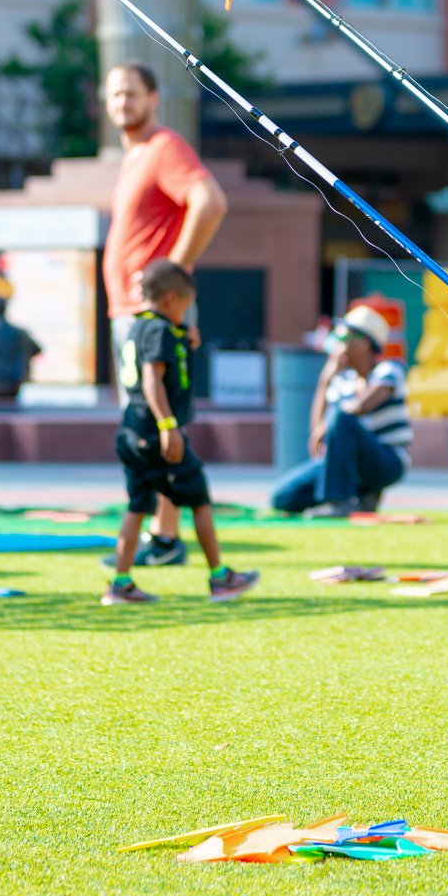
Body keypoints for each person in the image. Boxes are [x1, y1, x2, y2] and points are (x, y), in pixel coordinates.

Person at [103, 61, 229, 568]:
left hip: (148, 314)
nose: (122, 103)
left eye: (132, 93)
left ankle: (165, 537)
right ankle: (163, 534)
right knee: (146, 419)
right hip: (131, 314)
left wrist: (174, 272)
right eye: (114, 95)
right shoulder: (133, 157)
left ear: (154, 97)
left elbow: (210, 201)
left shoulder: (164, 149)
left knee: (155, 417)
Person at [105, 260, 258, 606]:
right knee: (199, 497)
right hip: (156, 431)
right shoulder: (160, 331)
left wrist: (186, 341)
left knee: (138, 505)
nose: (185, 316)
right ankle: (220, 577)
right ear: (171, 300)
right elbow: (152, 378)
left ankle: (121, 582)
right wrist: (168, 425)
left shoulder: (141, 327)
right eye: (185, 308)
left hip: (132, 429)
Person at [269, 306, 411, 518]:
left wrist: (328, 425)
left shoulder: (389, 370)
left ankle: (339, 501)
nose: (338, 343)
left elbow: (360, 407)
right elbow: (317, 431)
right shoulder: (342, 381)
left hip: (386, 461)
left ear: (363, 343)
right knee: (283, 497)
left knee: (341, 416)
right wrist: (325, 379)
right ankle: (360, 497)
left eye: (345, 337)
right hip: (346, 464)